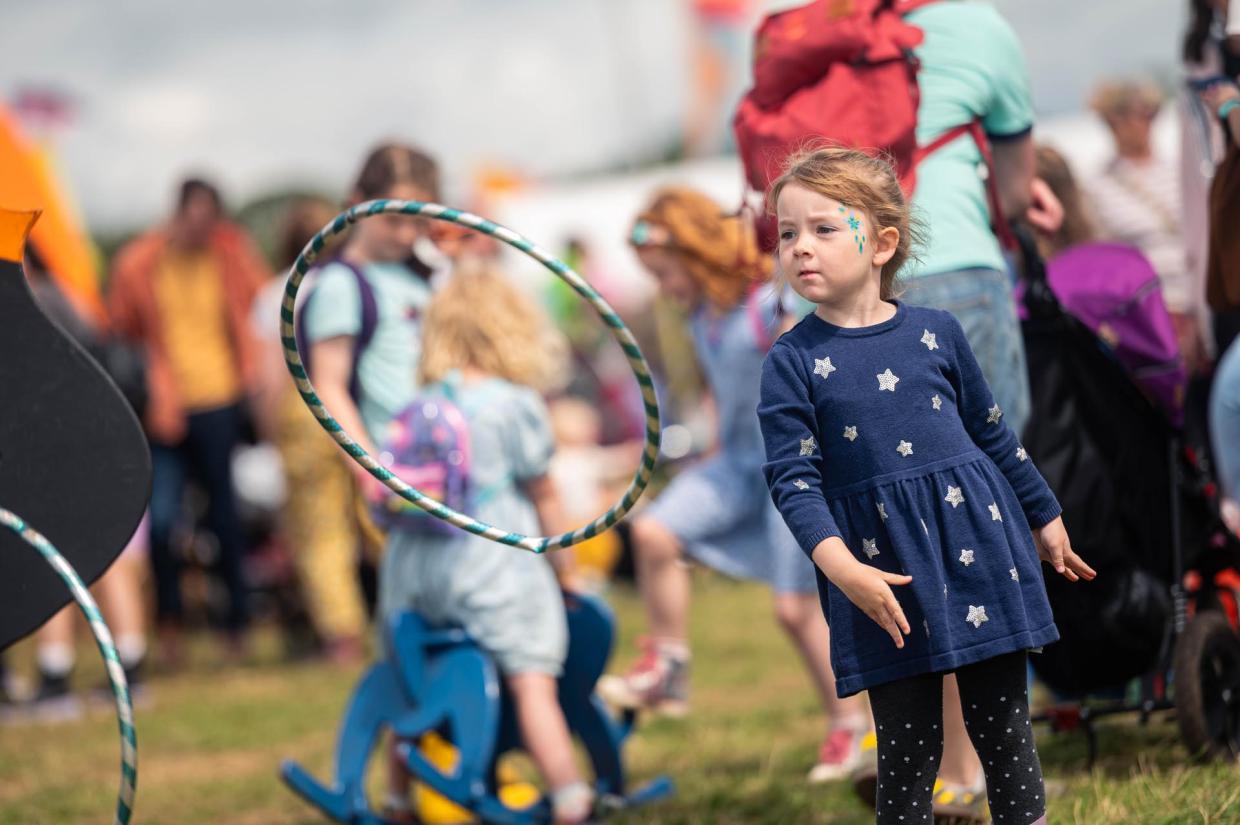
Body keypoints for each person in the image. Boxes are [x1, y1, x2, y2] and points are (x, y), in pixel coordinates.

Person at [758, 147, 1096, 825]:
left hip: (977, 546)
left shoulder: (937, 332)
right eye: (787, 232)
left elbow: (993, 430)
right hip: (881, 576)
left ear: (881, 242)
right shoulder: (791, 361)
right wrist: (844, 568)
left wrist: (1044, 511)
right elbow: (793, 482)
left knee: (1005, 728)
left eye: (823, 229)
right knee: (909, 751)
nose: (799, 247)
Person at [599, 187, 871, 783]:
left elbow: (812, 378)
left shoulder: (765, 306)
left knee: (796, 610)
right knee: (651, 533)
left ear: (696, 255)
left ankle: (852, 728)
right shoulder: (700, 316)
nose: (664, 289)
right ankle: (669, 663)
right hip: (737, 462)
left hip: (791, 464)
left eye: (666, 273)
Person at [376, 264, 592, 824]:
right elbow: (545, 497)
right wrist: (566, 574)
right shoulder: (513, 404)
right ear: (512, 329)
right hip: (491, 568)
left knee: (410, 690)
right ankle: (569, 793)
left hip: (413, 573)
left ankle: (397, 800)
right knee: (530, 677)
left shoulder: (416, 403)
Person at [109, 178, 269, 664]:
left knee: (226, 518)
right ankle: (171, 628)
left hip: (221, 400)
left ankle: (235, 626)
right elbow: (121, 329)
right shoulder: (140, 262)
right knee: (160, 522)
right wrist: (153, 387)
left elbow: (259, 308)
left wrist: (254, 380)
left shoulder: (230, 253)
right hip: (165, 408)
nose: (203, 231)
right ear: (178, 213)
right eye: (195, 221)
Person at [251, 197, 370, 664]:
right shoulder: (352, 282)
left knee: (320, 533)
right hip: (357, 403)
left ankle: (342, 637)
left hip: (302, 412)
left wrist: (268, 427)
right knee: (382, 515)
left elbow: (268, 373)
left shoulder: (275, 293)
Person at [1088, 79, 1207, 371]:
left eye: (1149, 113)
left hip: (1202, 306)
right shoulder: (1096, 187)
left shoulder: (1180, 171)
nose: (1143, 122)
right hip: (1150, 317)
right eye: (1134, 114)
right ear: (1112, 120)